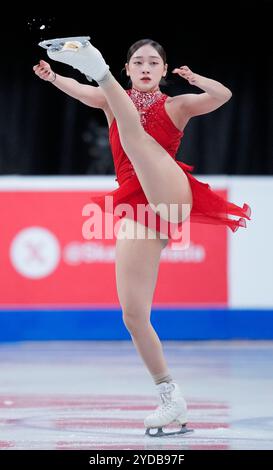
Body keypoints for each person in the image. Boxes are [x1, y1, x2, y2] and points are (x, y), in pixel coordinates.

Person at [33, 37, 251, 437]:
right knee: (133, 315)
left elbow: (222, 95)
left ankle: (94, 62)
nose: (147, 67)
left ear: (163, 70)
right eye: (138, 62)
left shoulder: (176, 105)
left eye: (154, 62)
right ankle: (171, 398)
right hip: (138, 211)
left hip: (171, 195)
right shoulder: (108, 101)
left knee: (134, 136)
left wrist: (193, 77)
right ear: (128, 70)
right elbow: (81, 91)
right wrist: (53, 77)